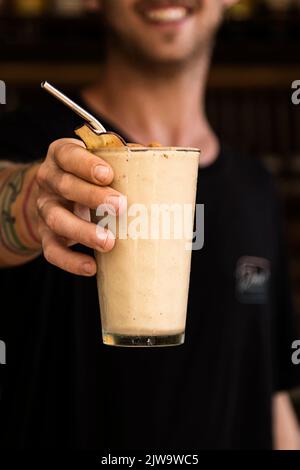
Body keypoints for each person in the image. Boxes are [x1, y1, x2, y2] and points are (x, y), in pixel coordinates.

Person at [0, 0, 299, 450]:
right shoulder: (36, 152)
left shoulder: (256, 189)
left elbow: (268, 391)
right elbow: (15, 192)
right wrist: (28, 204)